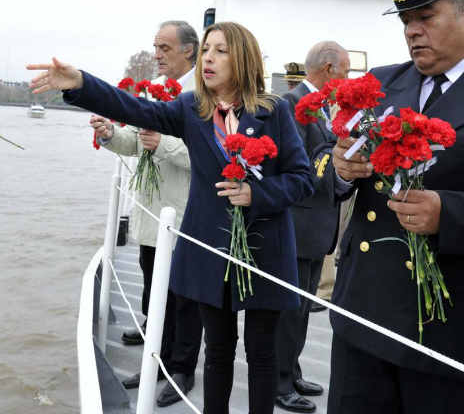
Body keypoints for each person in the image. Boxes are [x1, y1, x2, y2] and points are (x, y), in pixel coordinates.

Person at [28, 21, 314, 414]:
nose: (209, 58)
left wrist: (256, 194)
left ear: (243, 59)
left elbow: (301, 179)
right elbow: (133, 108)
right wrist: (79, 82)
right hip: (210, 250)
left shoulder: (274, 111)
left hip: (266, 251)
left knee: (262, 355)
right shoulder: (191, 109)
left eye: (221, 51)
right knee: (217, 353)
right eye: (207, 49)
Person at [329, 0, 464, 413]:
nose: (412, 31)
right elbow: (325, 167)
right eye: (406, 20)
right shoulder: (380, 84)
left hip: (452, 333)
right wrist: (341, 168)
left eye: (425, 17)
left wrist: (450, 215)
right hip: (363, 318)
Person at [90, 20, 204, 404]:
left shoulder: (203, 97)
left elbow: (213, 158)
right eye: (155, 46)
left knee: (184, 301)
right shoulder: (153, 95)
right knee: (153, 296)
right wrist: (109, 134)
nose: (156, 54)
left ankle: (182, 370)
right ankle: (156, 361)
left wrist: (164, 145)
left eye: (164, 48)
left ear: (189, 51)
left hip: (183, 217)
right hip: (151, 215)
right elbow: (138, 144)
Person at [275, 41, 350, 413]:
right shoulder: (291, 107)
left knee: (302, 307)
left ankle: (292, 369)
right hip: (297, 225)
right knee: (289, 309)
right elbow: (298, 166)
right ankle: (279, 382)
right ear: (328, 68)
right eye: (345, 71)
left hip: (315, 227)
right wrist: (335, 156)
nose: (346, 80)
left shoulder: (319, 110)